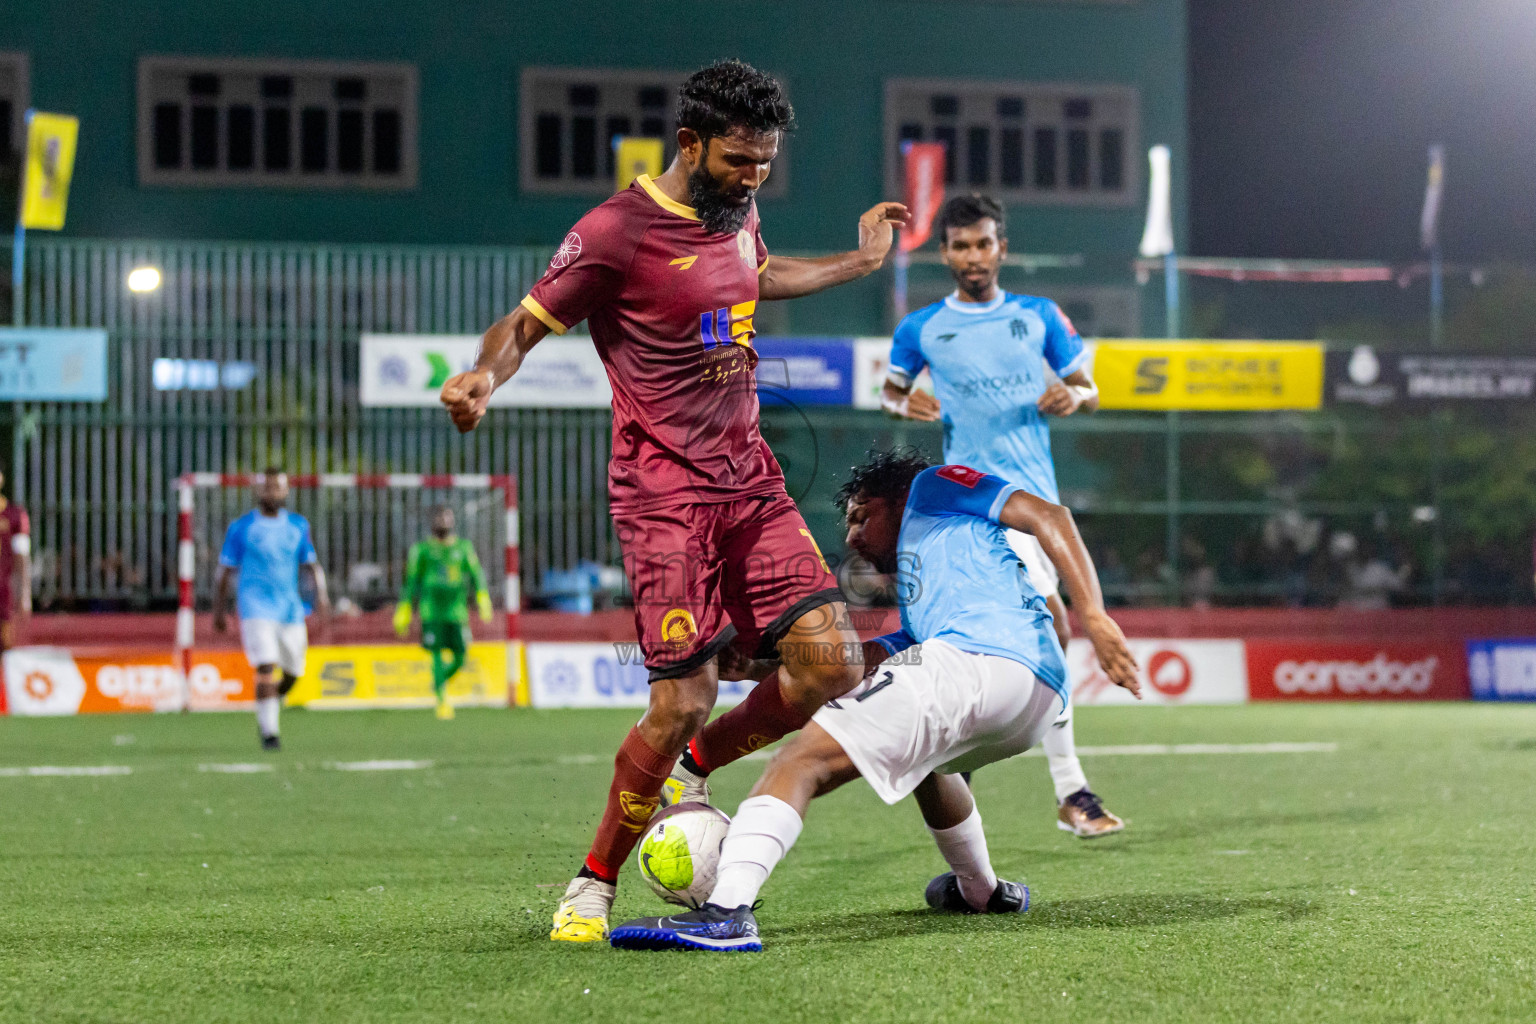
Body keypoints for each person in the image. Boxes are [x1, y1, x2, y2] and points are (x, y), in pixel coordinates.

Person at [439, 59, 910, 943]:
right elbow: (526, 322)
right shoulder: (614, 232)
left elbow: (755, 276)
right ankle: (592, 882)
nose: (753, 176)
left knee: (831, 665)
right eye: (738, 160)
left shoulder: (739, 213)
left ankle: (691, 771)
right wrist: (483, 378)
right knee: (683, 696)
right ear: (689, 143)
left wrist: (861, 261)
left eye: (766, 162)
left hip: (751, 483)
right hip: (664, 498)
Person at [609, 450, 1140, 951]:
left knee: (800, 761)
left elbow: (1049, 514)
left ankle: (725, 912)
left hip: (983, 667)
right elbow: (875, 660)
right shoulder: (932, 589)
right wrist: (762, 666)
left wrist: (1094, 615)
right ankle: (981, 889)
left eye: (862, 516)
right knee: (924, 761)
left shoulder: (932, 487)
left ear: (898, 499)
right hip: (1037, 696)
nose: (853, 535)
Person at [880, 192, 1126, 838]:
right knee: (1050, 627)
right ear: (945, 254)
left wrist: (1074, 396)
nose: (973, 256)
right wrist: (907, 407)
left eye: (983, 243)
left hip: (1037, 503)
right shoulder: (923, 327)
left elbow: (1090, 389)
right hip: (978, 506)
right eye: (960, 246)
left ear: (1002, 249)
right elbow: (890, 392)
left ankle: (961, 762)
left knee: (1052, 636)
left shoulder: (1039, 315)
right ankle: (1072, 793)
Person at [214, 470, 330, 751]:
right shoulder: (241, 528)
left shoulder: (297, 526)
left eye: (277, 487)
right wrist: (218, 610)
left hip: (290, 609)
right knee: (265, 664)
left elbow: (310, 564)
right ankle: (270, 733)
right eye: (267, 487)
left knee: (293, 672)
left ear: (286, 491)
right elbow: (225, 571)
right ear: (257, 491)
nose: (272, 492)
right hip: (254, 607)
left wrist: (322, 598)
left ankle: (268, 704)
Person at [393, 506, 492, 720]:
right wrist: (405, 607)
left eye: (448, 516)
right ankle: (442, 700)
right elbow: (411, 582)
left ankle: (438, 681)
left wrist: (483, 597)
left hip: (457, 612)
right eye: (439, 517)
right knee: (436, 654)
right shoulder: (422, 550)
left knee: (461, 657)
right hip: (431, 612)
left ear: (454, 520)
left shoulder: (464, 548)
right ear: (432, 522)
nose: (443, 521)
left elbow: (476, 574)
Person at [0, 470, 31, 652]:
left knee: (6, 644)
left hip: (3, 589)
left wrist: (24, 594)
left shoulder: (14, 515)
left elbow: (22, 557)